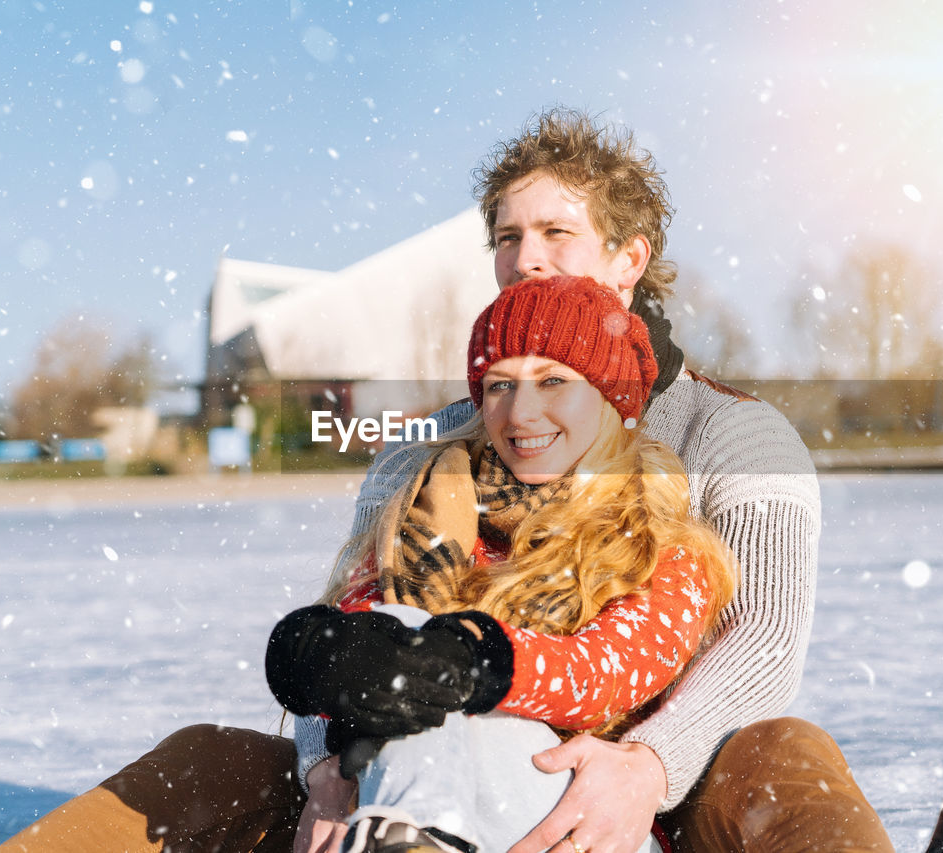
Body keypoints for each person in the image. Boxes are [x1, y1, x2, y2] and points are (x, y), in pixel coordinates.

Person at [0, 108, 896, 853]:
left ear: (629, 257)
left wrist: (646, 767)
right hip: (418, 756)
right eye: (508, 236)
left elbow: (762, 640)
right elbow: (358, 620)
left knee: (784, 756)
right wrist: (332, 757)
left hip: (646, 775)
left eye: (556, 231)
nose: (527, 256)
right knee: (211, 760)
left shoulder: (731, 432)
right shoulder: (426, 450)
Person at [264, 274, 736, 853]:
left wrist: (472, 662)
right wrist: (325, 654)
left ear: (612, 398)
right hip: (407, 801)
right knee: (400, 670)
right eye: (499, 386)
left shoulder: (661, 544)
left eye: (554, 381)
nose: (520, 412)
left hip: (574, 824)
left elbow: (605, 673)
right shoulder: (426, 513)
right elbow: (374, 629)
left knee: (452, 705)